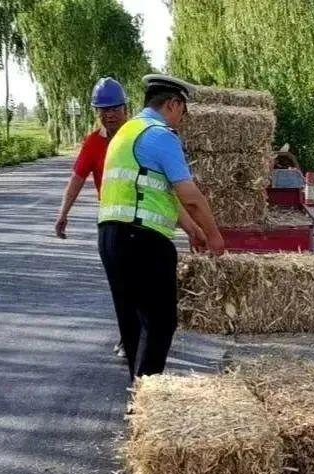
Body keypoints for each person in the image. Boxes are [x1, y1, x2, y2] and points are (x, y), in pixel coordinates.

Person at [97, 73, 225, 380]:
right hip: (142, 240)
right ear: (173, 104)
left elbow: (158, 192)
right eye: (183, 111)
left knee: (134, 325)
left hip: (112, 237)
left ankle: (139, 393)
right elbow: (190, 196)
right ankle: (148, 395)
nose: (182, 119)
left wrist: (192, 230)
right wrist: (214, 236)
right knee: (160, 323)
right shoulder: (161, 135)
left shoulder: (127, 132)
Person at [52, 77, 129, 358]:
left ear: (126, 108)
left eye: (115, 109)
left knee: (139, 284)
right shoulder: (93, 142)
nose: (109, 115)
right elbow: (77, 179)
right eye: (103, 110)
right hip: (111, 223)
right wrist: (63, 213)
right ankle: (127, 336)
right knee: (120, 285)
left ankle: (140, 335)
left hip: (142, 223)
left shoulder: (139, 136)